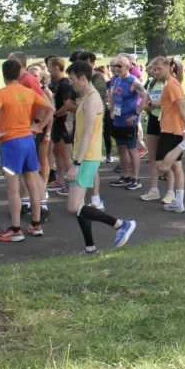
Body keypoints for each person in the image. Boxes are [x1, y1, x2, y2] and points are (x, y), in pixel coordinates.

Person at [64, 60, 136, 253]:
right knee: (79, 206)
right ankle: (90, 248)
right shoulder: (86, 98)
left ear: (82, 78)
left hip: (86, 157)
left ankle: (121, 224)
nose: (71, 83)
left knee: (73, 207)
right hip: (83, 155)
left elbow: (88, 134)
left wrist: (77, 164)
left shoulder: (92, 99)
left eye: (72, 79)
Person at [0, 59, 55, 243]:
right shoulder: (28, 92)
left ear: (3, 74)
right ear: (20, 73)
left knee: (13, 189)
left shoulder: (1, 93)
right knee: (32, 183)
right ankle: (36, 225)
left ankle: (16, 229)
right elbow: (50, 108)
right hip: (28, 140)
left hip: (11, 142)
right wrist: (39, 126)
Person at [152, 57, 185, 213]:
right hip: (169, 128)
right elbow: (168, 105)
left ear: (169, 67)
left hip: (172, 130)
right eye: (154, 69)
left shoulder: (172, 85)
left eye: (159, 69)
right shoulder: (168, 85)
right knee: (177, 168)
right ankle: (179, 203)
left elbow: (182, 107)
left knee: (162, 166)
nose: (155, 72)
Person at [108, 54, 147, 190]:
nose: (116, 68)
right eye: (114, 66)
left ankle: (136, 179)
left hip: (129, 121)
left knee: (132, 149)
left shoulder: (133, 81)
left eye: (119, 66)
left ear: (128, 67)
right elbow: (113, 97)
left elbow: (145, 96)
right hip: (118, 120)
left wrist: (136, 113)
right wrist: (111, 110)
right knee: (121, 149)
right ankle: (126, 175)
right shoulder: (117, 80)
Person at [47, 57, 76, 195]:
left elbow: (68, 105)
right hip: (57, 124)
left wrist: (55, 114)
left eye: (49, 67)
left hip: (64, 123)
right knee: (57, 152)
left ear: (57, 67)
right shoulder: (56, 83)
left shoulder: (64, 84)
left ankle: (72, 186)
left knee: (66, 155)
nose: (48, 70)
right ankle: (60, 180)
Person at [141, 57, 168, 201]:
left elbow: (170, 103)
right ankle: (153, 189)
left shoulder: (169, 83)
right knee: (152, 158)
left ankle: (171, 191)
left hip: (166, 121)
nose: (153, 72)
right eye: (151, 69)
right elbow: (145, 103)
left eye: (156, 69)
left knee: (166, 159)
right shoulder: (150, 84)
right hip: (153, 120)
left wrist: (156, 104)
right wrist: (148, 105)